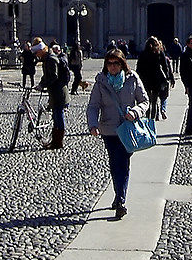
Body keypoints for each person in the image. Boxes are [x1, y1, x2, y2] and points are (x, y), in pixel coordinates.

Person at [87, 48, 149, 219]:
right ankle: (118, 195)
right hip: (109, 129)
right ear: (105, 65)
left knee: (123, 163)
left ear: (122, 64)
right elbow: (93, 106)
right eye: (109, 63)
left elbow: (144, 101)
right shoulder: (101, 81)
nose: (112, 67)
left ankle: (120, 200)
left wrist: (135, 112)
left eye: (116, 63)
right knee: (115, 164)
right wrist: (93, 125)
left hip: (127, 129)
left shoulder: (132, 78)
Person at [39, 39, 73, 149]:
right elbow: (47, 75)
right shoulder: (47, 58)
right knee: (56, 116)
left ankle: (58, 142)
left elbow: (53, 76)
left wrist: (42, 85)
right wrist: (41, 83)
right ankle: (55, 141)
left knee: (59, 116)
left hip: (59, 93)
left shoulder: (51, 59)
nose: (36, 55)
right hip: (55, 92)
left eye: (36, 52)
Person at [136, 36, 173, 120]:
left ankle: (148, 119)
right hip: (157, 80)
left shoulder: (143, 53)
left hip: (145, 80)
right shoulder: (159, 53)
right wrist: (166, 78)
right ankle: (152, 120)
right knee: (154, 101)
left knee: (147, 100)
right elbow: (165, 67)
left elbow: (139, 68)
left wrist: (138, 78)